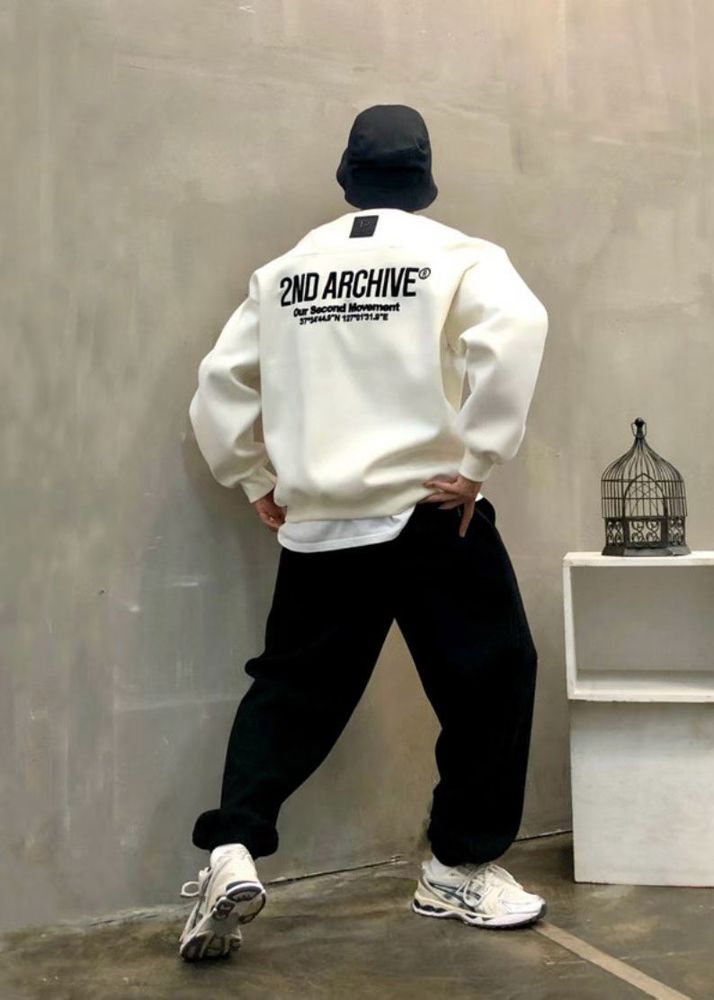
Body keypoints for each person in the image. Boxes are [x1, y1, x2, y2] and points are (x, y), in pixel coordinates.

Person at [178, 104, 549, 962]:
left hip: (320, 521)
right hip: (430, 512)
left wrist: (255, 478)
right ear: (423, 179)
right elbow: (516, 332)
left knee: (289, 692)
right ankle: (456, 867)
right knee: (493, 679)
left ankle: (230, 846)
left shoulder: (286, 271)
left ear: (348, 179)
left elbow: (220, 384)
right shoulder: (459, 257)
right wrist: (480, 459)